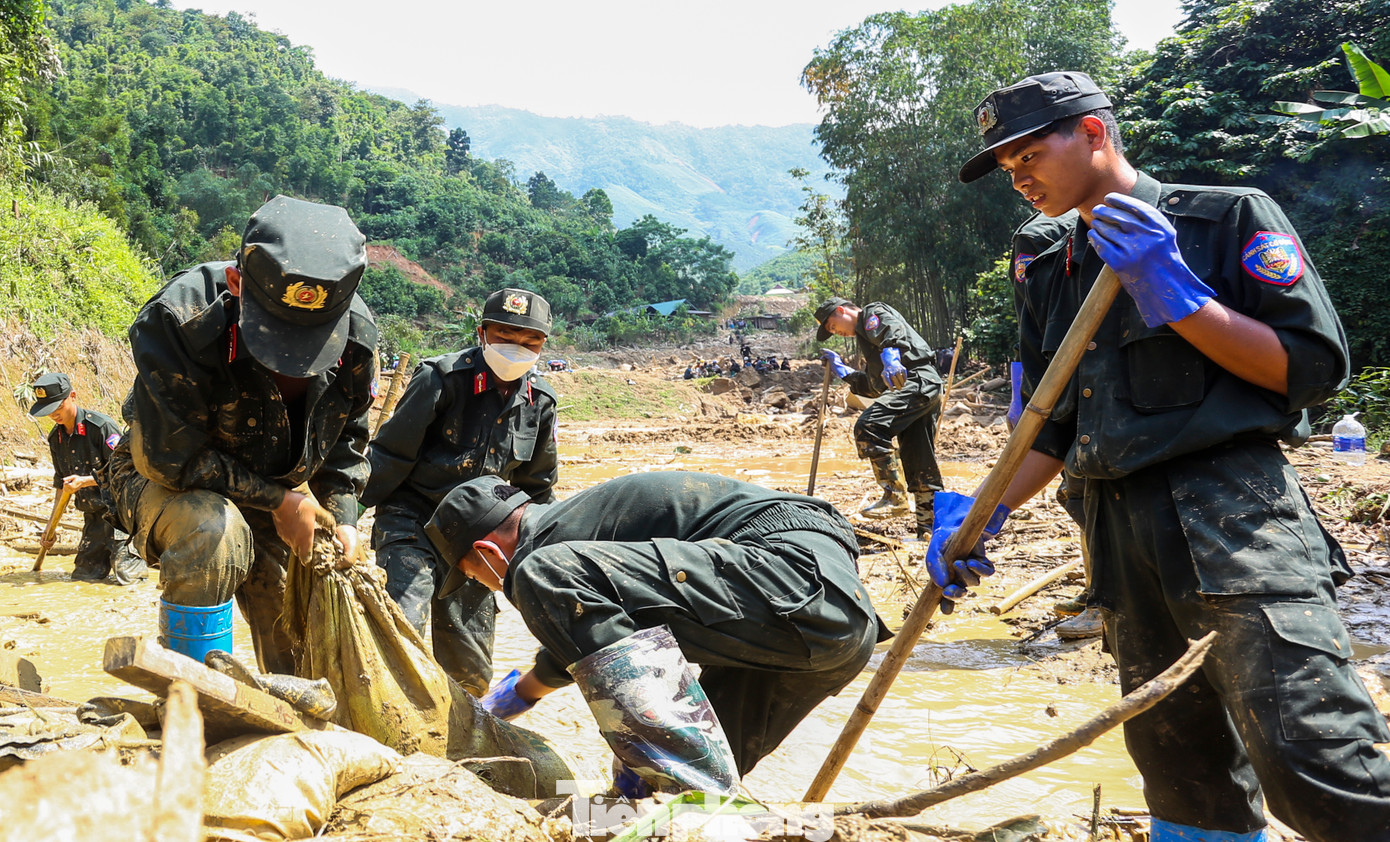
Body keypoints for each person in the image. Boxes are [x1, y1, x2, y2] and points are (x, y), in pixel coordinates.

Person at [941, 71, 1390, 841]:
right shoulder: (1050, 265)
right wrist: (979, 516)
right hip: (1115, 533)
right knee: (1179, 768)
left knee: (1317, 765)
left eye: (1028, 155)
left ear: (1091, 132)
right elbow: (1050, 428)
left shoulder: (1223, 219)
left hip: (1234, 522)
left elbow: (1311, 373)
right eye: (1006, 168)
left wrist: (1179, 293)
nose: (1018, 178)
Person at [426, 471, 890, 797]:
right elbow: (600, 630)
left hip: (789, 584)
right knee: (682, 800)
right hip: (828, 629)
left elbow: (567, 605)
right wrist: (523, 694)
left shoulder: (549, 548)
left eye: (471, 575)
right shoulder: (581, 530)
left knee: (539, 574)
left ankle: (658, 775)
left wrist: (641, 751)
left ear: (486, 551)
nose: (481, 584)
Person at [104, 195, 378, 671]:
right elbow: (170, 459)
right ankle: (190, 694)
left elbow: (347, 440)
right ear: (237, 284)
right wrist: (281, 501)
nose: (291, 358)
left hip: (273, 486)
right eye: (275, 333)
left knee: (303, 601)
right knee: (215, 532)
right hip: (165, 478)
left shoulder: (356, 337)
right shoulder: (181, 321)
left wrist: (345, 517)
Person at [360, 288, 556, 696]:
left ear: (542, 345)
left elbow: (537, 488)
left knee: (470, 669)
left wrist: (547, 556)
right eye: (505, 335)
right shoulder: (441, 379)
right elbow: (390, 455)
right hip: (416, 520)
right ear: (482, 333)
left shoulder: (540, 402)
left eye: (530, 341)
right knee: (402, 623)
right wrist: (341, 515)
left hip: (480, 539)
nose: (517, 347)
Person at [815, 298, 945, 538]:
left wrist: (892, 356)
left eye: (833, 326)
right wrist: (841, 369)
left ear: (841, 310)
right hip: (916, 389)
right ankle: (930, 531)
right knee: (920, 460)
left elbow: (891, 331)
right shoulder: (867, 342)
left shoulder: (871, 315)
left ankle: (894, 496)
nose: (837, 333)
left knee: (869, 426)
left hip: (918, 380)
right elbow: (875, 387)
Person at [28, 372, 144, 585]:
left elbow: (124, 472)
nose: (54, 414)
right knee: (83, 579)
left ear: (72, 396)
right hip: (93, 519)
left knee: (129, 580)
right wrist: (49, 527)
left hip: (120, 517)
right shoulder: (56, 438)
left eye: (58, 407)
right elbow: (60, 484)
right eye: (49, 411)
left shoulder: (101, 427)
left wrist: (85, 481)